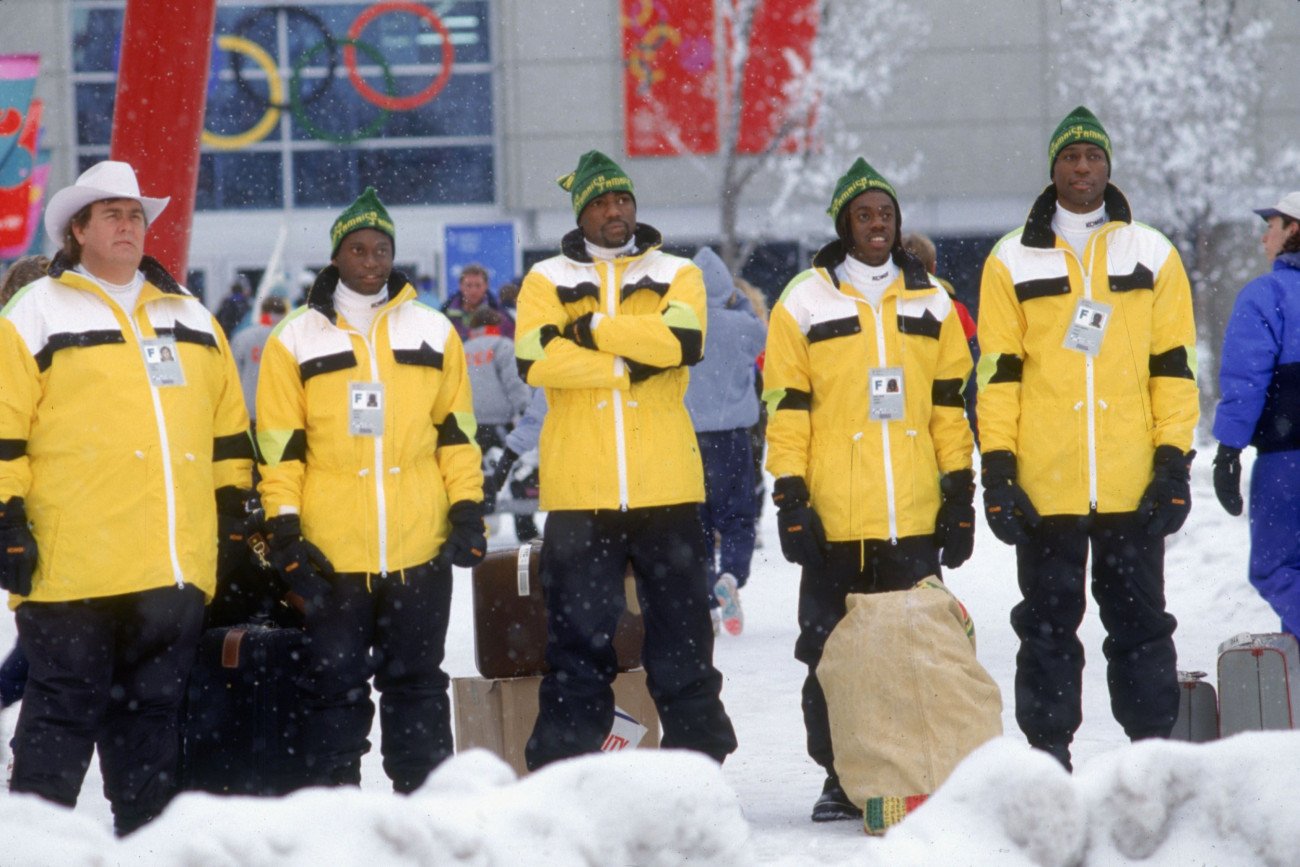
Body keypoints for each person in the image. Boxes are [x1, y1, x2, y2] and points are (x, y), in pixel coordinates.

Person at [0, 160, 253, 835]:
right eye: (110, 213)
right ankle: (33, 851)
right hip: (70, 567)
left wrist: (234, 514)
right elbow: (2, 428)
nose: (127, 224)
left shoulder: (193, 316)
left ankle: (149, 851)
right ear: (76, 229)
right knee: (60, 719)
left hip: (170, 568)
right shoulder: (35, 311)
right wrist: (6, 519)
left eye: (135, 213)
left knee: (153, 730)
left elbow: (231, 431)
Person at [977, 106, 1198, 772]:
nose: (1083, 168)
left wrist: (1172, 464)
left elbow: (1174, 370)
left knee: (1141, 629)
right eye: (1071, 158)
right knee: (1045, 634)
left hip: (1133, 484)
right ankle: (1050, 757)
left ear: (1108, 167)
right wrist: (999, 472)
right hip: (1048, 488)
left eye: (1093, 158)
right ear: (1054, 169)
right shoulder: (1010, 259)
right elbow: (998, 376)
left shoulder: (1151, 252)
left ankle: (1151, 756)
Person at [763, 157, 975, 821]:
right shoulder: (804, 299)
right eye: (864, 214)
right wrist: (790, 496)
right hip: (835, 516)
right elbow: (786, 407)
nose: (877, 224)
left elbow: (949, 407)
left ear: (897, 224)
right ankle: (838, 775)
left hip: (911, 515)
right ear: (844, 224)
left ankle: (911, 770)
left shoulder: (932, 300)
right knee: (831, 652)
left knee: (917, 652)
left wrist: (959, 490)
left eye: (885, 214)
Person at [255, 187, 485, 793]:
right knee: (334, 691)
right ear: (336, 258)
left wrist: (466, 507)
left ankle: (426, 811)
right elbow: (280, 449)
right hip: (333, 555)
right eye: (357, 249)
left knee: (417, 685)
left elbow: (457, 433)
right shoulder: (294, 339)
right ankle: (338, 822)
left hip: (419, 547)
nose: (371, 261)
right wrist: (284, 530)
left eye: (381, 249)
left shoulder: (434, 330)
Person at [514, 149, 737, 770]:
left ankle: (701, 768)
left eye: (624, 200)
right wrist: (631, 362)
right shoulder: (545, 279)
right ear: (581, 212)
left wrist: (588, 331)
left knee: (685, 646)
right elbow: (534, 359)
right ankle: (563, 773)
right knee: (577, 648)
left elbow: (685, 342)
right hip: (580, 493)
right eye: (602, 202)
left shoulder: (678, 271)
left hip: (667, 487)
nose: (616, 211)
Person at [1211, 191, 1300, 640]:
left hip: (1288, 460)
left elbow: (1246, 381)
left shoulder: (1268, 295)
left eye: (1273, 225)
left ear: (1294, 232)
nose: (1265, 236)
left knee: (1276, 568)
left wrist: (1227, 450)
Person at [683, 247, 766, 637]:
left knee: (695, 525)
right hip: (732, 437)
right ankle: (730, 575)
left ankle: (704, 604)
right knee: (736, 518)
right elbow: (760, 334)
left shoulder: (682, 327)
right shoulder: (741, 325)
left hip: (686, 439)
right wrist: (740, 302)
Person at [464, 304, 537, 541]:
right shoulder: (502, 346)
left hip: (469, 424)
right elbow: (514, 382)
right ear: (496, 325)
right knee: (516, 471)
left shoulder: (462, 350)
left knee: (472, 475)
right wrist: (525, 410)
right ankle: (525, 526)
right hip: (500, 423)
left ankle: (476, 525)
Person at [901, 232, 980, 443]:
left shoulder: (888, 309)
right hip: (950, 411)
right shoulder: (954, 307)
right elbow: (972, 367)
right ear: (934, 267)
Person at [229, 294, 288, 422]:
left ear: (262, 313)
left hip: (249, 408)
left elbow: (233, 375)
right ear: (284, 313)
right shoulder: (290, 339)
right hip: (281, 410)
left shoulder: (242, 337)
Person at [442, 262, 515, 340]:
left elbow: (509, 345)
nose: (473, 291)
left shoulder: (501, 317)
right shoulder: (445, 314)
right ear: (460, 286)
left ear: (486, 285)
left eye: (478, 285)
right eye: (469, 285)